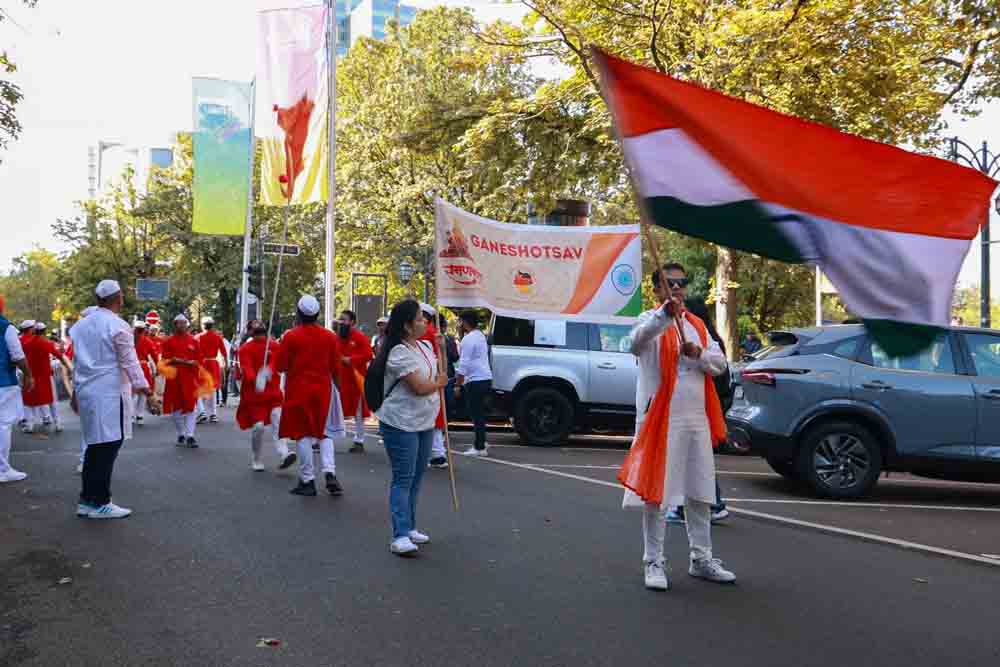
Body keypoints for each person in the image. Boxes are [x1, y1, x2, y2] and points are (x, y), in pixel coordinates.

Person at [619, 262, 736, 591]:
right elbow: (634, 343)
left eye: (681, 282)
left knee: (700, 491)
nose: (677, 288)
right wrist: (664, 317)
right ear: (656, 289)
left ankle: (702, 558)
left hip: (696, 419)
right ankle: (653, 561)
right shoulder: (650, 322)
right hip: (661, 420)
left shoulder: (697, 325)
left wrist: (698, 353)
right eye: (669, 283)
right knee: (656, 495)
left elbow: (719, 364)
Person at [69, 280, 151, 518]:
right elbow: (130, 362)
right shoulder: (118, 325)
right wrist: (147, 391)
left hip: (88, 392)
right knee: (108, 446)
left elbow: (77, 363)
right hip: (108, 394)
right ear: (119, 298)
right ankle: (100, 501)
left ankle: (87, 500)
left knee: (95, 446)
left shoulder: (81, 327)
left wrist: (75, 391)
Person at [374, 299, 448, 556]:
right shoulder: (397, 352)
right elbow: (419, 387)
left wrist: (441, 351)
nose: (424, 322)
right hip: (400, 422)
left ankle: (410, 526)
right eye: (418, 319)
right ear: (406, 325)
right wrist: (438, 383)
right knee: (403, 478)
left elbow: (442, 374)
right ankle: (399, 535)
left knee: (416, 478)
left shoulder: (426, 346)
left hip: (424, 421)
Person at [276, 295, 346, 497]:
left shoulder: (291, 336)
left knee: (303, 433)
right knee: (324, 432)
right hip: (324, 389)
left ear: (298, 313)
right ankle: (330, 472)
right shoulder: (330, 336)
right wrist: (338, 390)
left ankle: (307, 480)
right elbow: (336, 367)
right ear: (316, 314)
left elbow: (281, 366)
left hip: (299, 389)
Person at [236, 319, 296, 472]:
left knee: (277, 419)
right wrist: (256, 378)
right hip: (255, 395)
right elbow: (246, 367)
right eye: (254, 326)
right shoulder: (245, 349)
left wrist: (268, 369)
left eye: (260, 325)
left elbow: (278, 361)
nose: (258, 327)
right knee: (258, 427)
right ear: (249, 331)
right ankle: (256, 458)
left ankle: (284, 453)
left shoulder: (274, 345)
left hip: (273, 392)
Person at [0, 296, 33, 483]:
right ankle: (3, 469)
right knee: (3, 425)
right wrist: (28, 375)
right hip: (3, 382)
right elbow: (17, 355)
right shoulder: (7, 328)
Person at [21, 320, 71, 435]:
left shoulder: (26, 343)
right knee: (52, 401)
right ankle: (57, 423)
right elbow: (60, 356)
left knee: (30, 401)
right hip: (46, 377)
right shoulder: (47, 343)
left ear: (35, 331)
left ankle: (30, 425)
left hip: (31, 377)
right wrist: (68, 367)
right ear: (44, 331)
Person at [161, 314, 203, 448]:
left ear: (187, 325)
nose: (182, 326)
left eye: (184, 323)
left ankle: (190, 435)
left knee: (191, 406)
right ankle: (181, 433)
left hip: (189, 379)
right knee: (176, 408)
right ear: (175, 325)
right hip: (174, 379)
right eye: (179, 323)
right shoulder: (168, 341)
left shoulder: (194, 341)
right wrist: (176, 360)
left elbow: (199, 360)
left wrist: (193, 363)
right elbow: (165, 360)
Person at [455, 310, 493, 458]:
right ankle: (482, 440)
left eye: (460, 321)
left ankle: (479, 447)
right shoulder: (480, 336)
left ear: (465, 322)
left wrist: (458, 384)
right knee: (480, 413)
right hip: (485, 378)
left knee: (475, 414)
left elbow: (463, 364)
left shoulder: (468, 339)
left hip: (475, 380)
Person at [337, 309, 373, 453]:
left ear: (352, 322)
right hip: (341, 379)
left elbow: (369, 355)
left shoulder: (360, 337)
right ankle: (322, 438)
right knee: (333, 407)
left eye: (344, 319)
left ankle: (359, 440)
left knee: (358, 410)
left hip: (356, 379)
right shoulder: (337, 337)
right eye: (340, 319)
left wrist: (350, 360)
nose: (341, 322)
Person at [418, 303, 449, 466]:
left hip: (425, 378)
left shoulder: (424, 332)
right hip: (435, 377)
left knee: (426, 416)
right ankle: (438, 452)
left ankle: (432, 452)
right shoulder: (433, 333)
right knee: (434, 415)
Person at [195, 317, 227, 424]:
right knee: (213, 390)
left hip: (202, 364)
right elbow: (224, 352)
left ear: (202, 325)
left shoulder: (198, 337)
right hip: (213, 364)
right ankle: (213, 414)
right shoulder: (218, 337)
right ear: (212, 326)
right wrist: (226, 363)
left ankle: (202, 412)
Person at [132, 321, 159, 426]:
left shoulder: (129, 340)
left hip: (132, 367)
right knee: (143, 393)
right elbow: (155, 356)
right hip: (143, 367)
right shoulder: (147, 341)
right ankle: (139, 415)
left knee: (132, 393)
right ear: (144, 330)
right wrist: (157, 367)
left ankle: (131, 415)